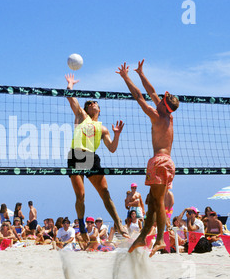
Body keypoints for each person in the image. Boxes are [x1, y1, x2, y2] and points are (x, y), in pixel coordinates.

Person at [117, 59, 180, 257]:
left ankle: (160, 238)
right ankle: (144, 237)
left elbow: (138, 96)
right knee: (152, 201)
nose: (159, 97)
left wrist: (126, 77)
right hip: (167, 162)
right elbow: (151, 91)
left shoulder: (156, 115)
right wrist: (140, 73)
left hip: (159, 161)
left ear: (164, 102)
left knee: (158, 202)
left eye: (163, 98)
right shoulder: (167, 115)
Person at [65, 73, 128, 241]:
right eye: (89, 103)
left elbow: (112, 149)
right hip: (76, 155)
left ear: (98, 109)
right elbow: (71, 99)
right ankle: (82, 225)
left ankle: (118, 223)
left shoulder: (103, 128)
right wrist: (70, 85)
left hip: (92, 158)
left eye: (95, 102)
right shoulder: (81, 116)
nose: (92, 103)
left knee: (105, 193)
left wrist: (117, 135)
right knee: (81, 195)